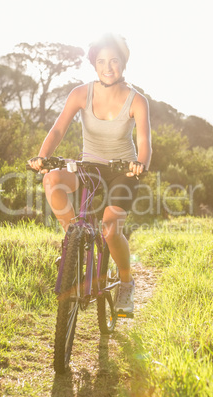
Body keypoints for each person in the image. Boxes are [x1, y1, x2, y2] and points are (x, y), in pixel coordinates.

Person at [28, 33, 152, 313]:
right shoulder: (81, 93)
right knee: (52, 179)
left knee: (110, 228)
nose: (108, 67)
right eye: (101, 61)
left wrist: (140, 164)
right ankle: (73, 244)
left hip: (123, 171)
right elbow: (58, 128)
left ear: (123, 63)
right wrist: (43, 156)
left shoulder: (137, 100)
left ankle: (126, 284)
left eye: (114, 60)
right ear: (94, 65)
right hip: (90, 168)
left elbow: (143, 142)